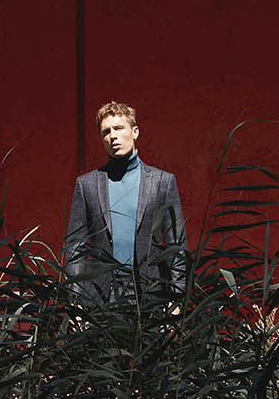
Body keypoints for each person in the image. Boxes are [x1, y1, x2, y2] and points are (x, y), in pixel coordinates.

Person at [64, 101, 188, 304]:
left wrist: (176, 300)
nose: (112, 136)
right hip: (101, 298)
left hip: (150, 294)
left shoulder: (162, 182)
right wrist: (75, 302)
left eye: (119, 128)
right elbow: (75, 248)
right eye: (106, 132)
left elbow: (177, 246)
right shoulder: (87, 185)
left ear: (135, 132)